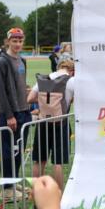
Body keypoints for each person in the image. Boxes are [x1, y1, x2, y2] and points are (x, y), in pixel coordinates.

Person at [0, 27, 31, 201]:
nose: (17, 44)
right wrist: (9, 115)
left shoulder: (22, 60)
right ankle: (7, 189)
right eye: (14, 41)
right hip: (10, 114)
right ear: (8, 41)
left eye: (20, 41)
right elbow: (1, 92)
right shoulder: (2, 62)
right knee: (9, 151)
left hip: (24, 111)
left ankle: (13, 182)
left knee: (18, 151)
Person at [27, 56, 73, 191]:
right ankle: (58, 193)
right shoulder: (71, 81)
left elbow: (30, 99)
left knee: (39, 160)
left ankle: (36, 192)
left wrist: (44, 104)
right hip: (61, 122)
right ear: (71, 70)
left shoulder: (45, 79)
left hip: (43, 121)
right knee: (58, 163)